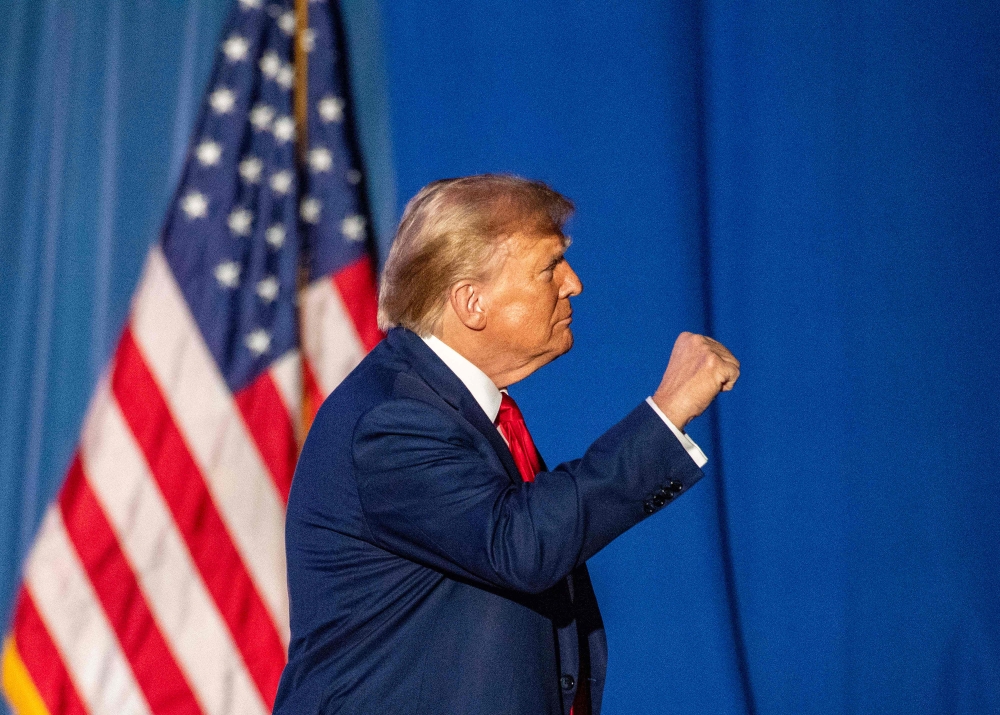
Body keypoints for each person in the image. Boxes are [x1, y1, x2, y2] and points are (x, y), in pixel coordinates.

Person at [273, 174, 740, 715]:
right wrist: (668, 411)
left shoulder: (460, 408)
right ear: (471, 303)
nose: (574, 283)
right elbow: (519, 544)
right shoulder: (391, 420)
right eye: (549, 267)